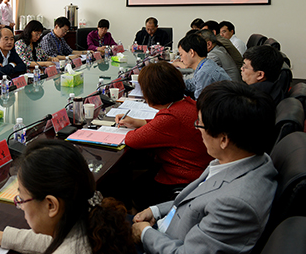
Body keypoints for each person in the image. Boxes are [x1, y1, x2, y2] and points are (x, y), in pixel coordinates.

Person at [133, 81, 277, 254]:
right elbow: (194, 201)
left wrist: (145, 233)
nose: (198, 130)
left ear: (223, 140)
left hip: (162, 243)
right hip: (168, 224)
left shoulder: (235, 204)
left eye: (200, 124)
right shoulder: (243, 159)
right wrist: (155, 210)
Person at [0, 139, 136, 254]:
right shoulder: (88, 221)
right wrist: (0, 237)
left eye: (21, 199)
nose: (20, 206)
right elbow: (51, 240)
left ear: (51, 205)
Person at [114, 62, 212, 209]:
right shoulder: (188, 103)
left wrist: (138, 127)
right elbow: (166, 127)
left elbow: (132, 139)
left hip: (181, 180)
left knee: (126, 187)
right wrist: (139, 122)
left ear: (152, 93)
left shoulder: (171, 117)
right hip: (199, 174)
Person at [175, 34, 230, 98]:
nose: (181, 60)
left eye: (181, 55)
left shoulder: (204, 72)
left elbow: (200, 101)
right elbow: (192, 84)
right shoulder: (205, 64)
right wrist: (174, 81)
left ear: (191, 52)